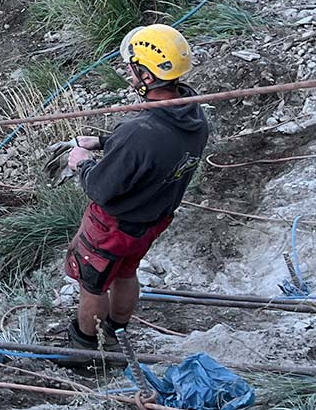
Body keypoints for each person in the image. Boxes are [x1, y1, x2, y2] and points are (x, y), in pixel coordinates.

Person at [59, 24, 209, 350]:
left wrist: (82, 162)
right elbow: (151, 150)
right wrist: (102, 141)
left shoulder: (139, 132)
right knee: (125, 272)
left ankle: (86, 346)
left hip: (113, 226)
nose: (129, 72)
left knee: (93, 284)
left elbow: (100, 187)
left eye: (133, 68)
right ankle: (117, 329)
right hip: (150, 221)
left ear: (149, 76)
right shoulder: (193, 115)